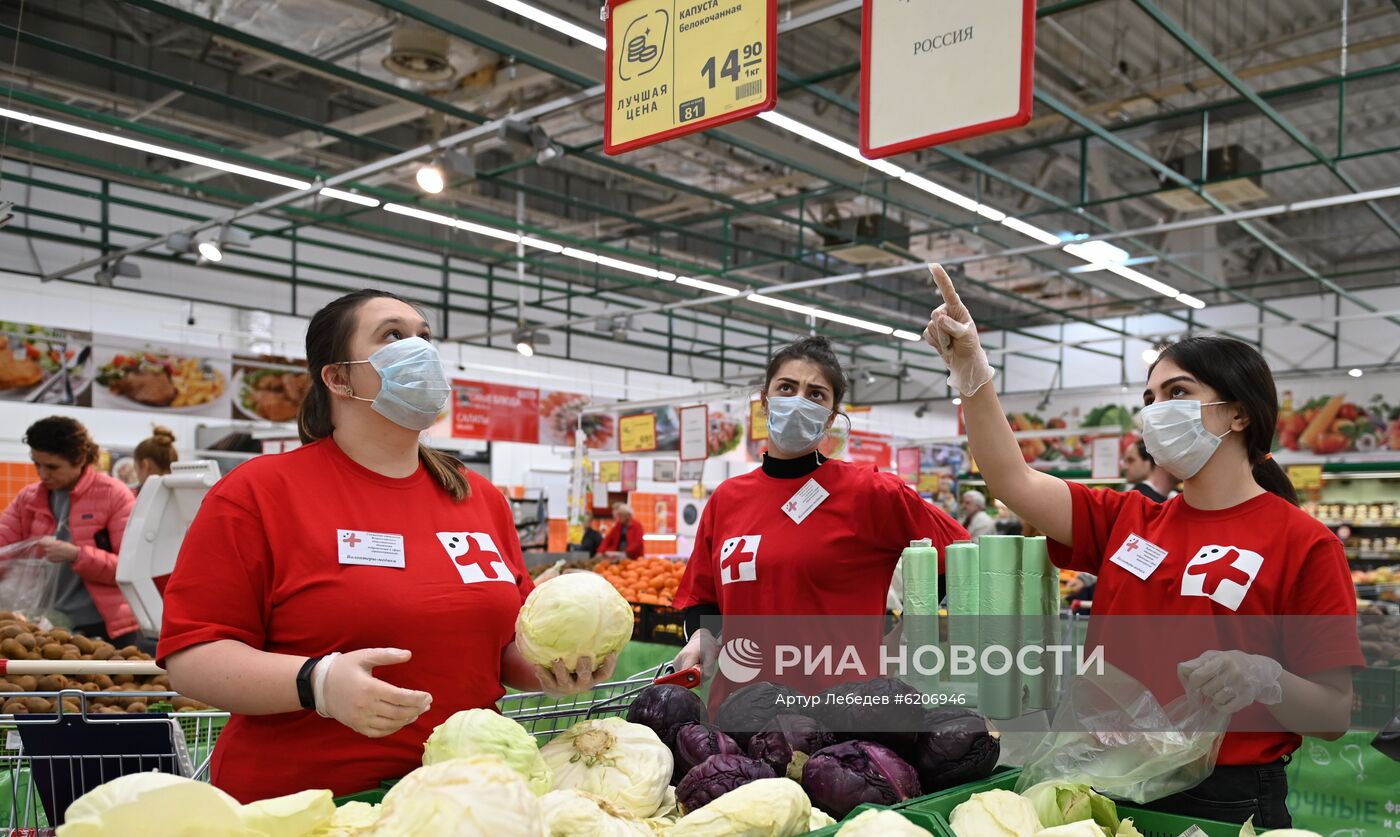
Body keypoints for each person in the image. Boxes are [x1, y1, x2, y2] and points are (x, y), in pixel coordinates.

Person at [922, 264, 1360, 828]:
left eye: (1177, 393)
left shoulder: (1304, 543)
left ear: (1240, 412)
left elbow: (1333, 711)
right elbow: (1012, 481)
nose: (1156, 411)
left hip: (1224, 796)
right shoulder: (1126, 520)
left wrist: (1266, 677)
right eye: (1150, 398)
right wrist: (972, 372)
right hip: (1107, 776)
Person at [157, 289, 614, 803]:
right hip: (307, 809)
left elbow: (499, 649)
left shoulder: (477, 498)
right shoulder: (258, 493)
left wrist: (551, 669)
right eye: (392, 335)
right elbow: (193, 657)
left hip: (464, 801)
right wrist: (318, 682)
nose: (419, 349)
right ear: (338, 377)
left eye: (425, 336)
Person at [671, 336, 968, 709]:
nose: (798, 400)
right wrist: (702, 637)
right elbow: (703, 598)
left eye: (815, 394)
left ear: (830, 416)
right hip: (739, 713)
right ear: (765, 402)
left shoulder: (871, 492)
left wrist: (907, 630)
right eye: (787, 388)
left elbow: (960, 554)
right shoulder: (727, 499)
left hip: (840, 716)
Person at [0, 416, 142, 649]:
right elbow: (4, 549)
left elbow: (130, 568)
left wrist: (77, 555)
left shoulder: (114, 495)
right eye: (37, 464)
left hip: (104, 625)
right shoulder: (29, 499)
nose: (43, 474)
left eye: (52, 467)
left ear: (80, 460)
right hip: (44, 624)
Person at [1122, 437, 1174, 503]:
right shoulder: (1139, 499)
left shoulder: (1171, 495)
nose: (1124, 467)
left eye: (1131, 460)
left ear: (1150, 459)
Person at [133, 425, 179, 493]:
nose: (136, 474)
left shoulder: (137, 497)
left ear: (146, 465)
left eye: (135, 468)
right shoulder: (181, 491)